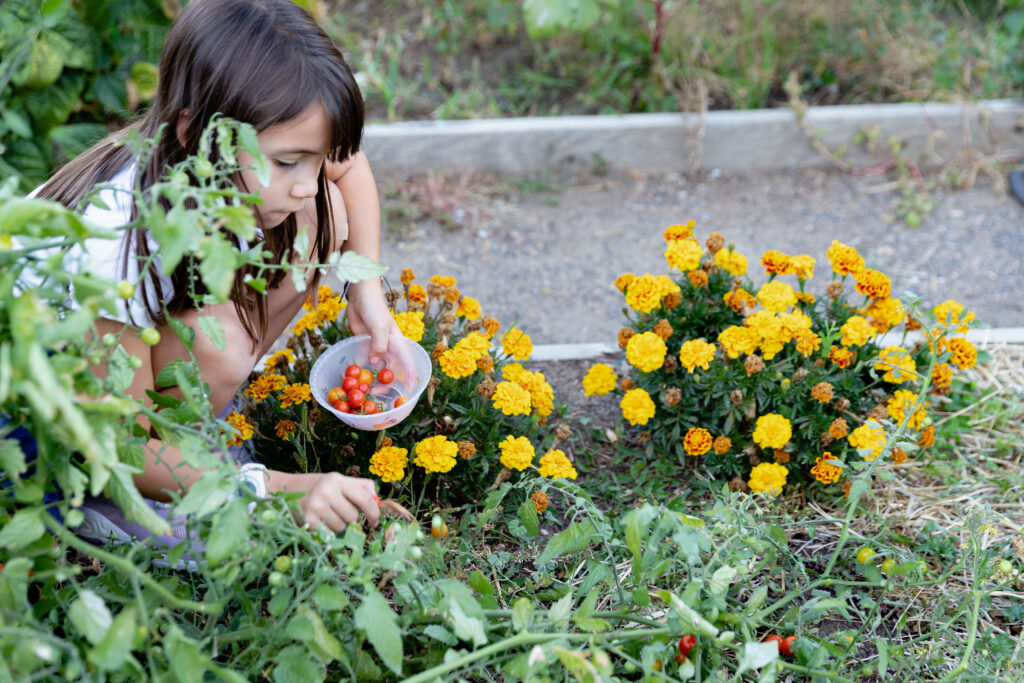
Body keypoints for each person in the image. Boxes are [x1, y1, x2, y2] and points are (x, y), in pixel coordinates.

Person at [30, 0, 394, 541]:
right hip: (50, 430)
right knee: (216, 345)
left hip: (120, 393)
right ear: (193, 132)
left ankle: (198, 434)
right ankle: (124, 504)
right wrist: (282, 488)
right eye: (288, 161)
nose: (303, 181)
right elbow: (120, 446)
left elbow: (349, 162)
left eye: (312, 159)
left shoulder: (215, 155)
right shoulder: (116, 246)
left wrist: (365, 289)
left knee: (323, 213)